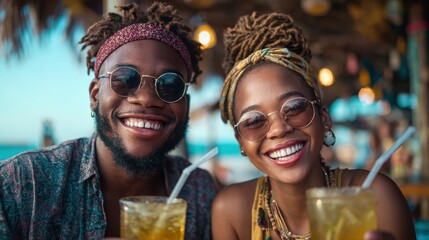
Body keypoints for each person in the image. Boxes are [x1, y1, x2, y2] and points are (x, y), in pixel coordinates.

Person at [0, 2, 217, 239]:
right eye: (125, 79)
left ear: (186, 103)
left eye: (170, 85)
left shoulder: (200, 191)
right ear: (95, 95)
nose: (145, 99)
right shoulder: (20, 184)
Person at [212, 11, 416, 240]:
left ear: (324, 117)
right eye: (254, 121)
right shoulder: (232, 212)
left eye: (295, 107)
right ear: (240, 139)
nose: (279, 129)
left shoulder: (376, 197)